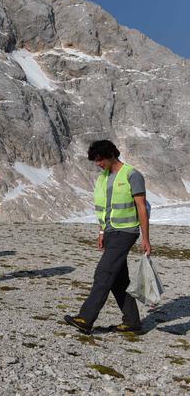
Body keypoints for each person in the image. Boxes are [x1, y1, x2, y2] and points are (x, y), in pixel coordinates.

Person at [64, 140, 151, 335]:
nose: (98, 163)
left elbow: (141, 208)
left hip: (126, 232)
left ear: (112, 154)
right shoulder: (103, 177)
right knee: (119, 280)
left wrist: (146, 238)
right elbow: (105, 208)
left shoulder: (132, 175)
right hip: (111, 232)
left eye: (100, 159)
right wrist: (102, 231)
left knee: (103, 274)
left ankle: (86, 319)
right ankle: (132, 322)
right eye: (95, 160)